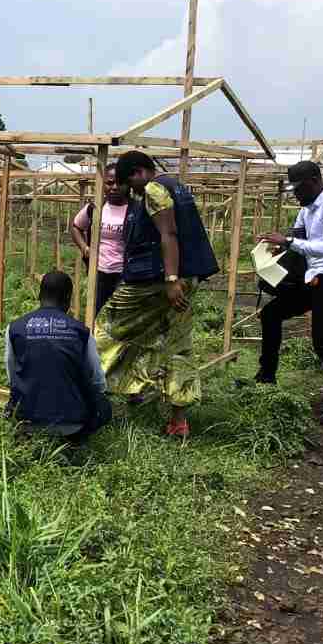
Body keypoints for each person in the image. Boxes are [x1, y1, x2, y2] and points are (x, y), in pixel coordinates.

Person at [96, 150, 219, 439]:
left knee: (108, 330)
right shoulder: (176, 185)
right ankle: (178, 421)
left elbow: (169, 234)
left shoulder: (154, 188)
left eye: (129, 183)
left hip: (155, 281)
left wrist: (171, 279)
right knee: (177, 344)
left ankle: (83, 389)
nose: (131, 191)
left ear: (140, 172)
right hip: (186, 277)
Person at [256, 160, 323, 427]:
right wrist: (276, 255)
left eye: (299, 188)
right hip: (315, 277)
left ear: (315, 180)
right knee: (271, 313)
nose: (296, 194)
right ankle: (266, 379)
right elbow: (298, 243)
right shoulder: (306, 210)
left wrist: (289, 242)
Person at [5, 271, 111, 447]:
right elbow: (98, 381)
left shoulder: (15, 328)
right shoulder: (81, 332)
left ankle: (25, 435)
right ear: (68, 297)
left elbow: (12, 376)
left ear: (39, 295)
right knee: (104, 407)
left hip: (27, 419)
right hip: (72, 423)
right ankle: (75, 442)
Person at [69, 164, 130, 315]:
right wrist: (84, 247)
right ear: (103, 185)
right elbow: (76, 227)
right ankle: (93, 337)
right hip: (98, 271)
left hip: (125, 273)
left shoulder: (135, 209)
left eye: (119, 183)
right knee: (96, 310)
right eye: (109, 183)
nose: (114, 187)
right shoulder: (95, 208)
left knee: (121, 315)